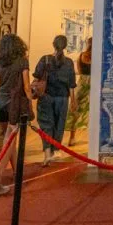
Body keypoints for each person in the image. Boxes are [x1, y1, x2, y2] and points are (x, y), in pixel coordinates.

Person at [0, 33, 32, 195]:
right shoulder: (22, 61)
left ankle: (17, 173)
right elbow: (27, 86)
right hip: (14, 102)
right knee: (9, 141)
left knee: (8, 139)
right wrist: (29, 104)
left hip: (0, 100)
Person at [34, 36, 76, 166]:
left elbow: (36, 77)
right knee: (59, 125)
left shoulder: (45, 59)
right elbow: (71, 84)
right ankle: (56, 150)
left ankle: (47, 152)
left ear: (53, 44)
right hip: (63, 97)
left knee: (47, 124)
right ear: (65, 46)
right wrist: (74, 101)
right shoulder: (68, 62)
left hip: (46, 96)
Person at [71, 38, 92, 143]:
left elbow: (79, 70)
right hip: (93, 84)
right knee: (91, 111)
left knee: (76, 110)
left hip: (82, 83)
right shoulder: (97, 56)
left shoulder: (81, 55)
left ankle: (72, 137)